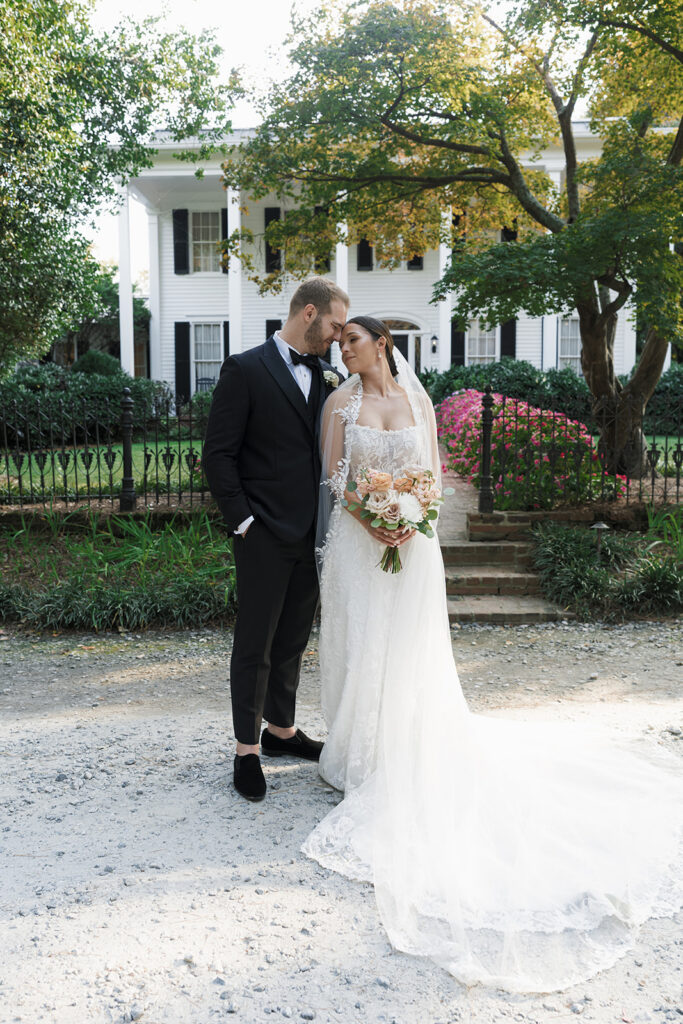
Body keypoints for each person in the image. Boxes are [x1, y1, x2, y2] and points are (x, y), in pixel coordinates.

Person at [303, 316, 683, 992]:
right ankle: (359, 752)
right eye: (339, 346)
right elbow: (334, 480)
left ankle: (408, 742)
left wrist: (410, 516)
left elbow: (432, 473)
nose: (345, 352)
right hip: (361, 546)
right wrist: (375, 521)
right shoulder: (340, 404)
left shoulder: (416, 400)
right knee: (361, 646)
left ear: (380, 344)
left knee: (409, 648)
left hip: (414, 547)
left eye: (353, 342)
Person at [202, 277, 348, 802]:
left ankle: (281, 731)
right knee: (256, 644)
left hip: (314, 532)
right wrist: (243, 522)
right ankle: (246, 749)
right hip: (262, 532)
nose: (338, 337)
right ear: (309, 313)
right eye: (334, 325)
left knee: (291, 640)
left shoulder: (331, 376)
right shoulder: (245, 369)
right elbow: (218, 455)